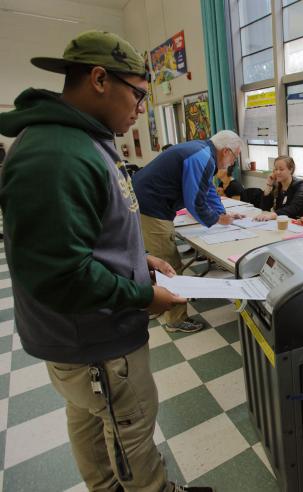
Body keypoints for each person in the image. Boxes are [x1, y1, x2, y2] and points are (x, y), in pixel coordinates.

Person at [0, 31, 211, 492]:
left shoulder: (81, 140)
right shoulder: (56, 155)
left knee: (93, 419)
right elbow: (61, 274)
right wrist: (142, 294)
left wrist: (141, 258)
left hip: (87, 339)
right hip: (95, 340)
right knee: (129, 426)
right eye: (137, 93)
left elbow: (92, 235)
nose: (141, 107)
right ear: (99, 79)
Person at [132, 130, 245, 333]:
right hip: (151, 207)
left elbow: (207, 190)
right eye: (234, 156)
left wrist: (223, 214)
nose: (232, 162)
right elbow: (194, 202)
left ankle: (153, 304)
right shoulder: (202, 156)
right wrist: (216, 219)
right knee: (168, 263)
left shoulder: (202, 152)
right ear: (226, 151)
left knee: (156, 259)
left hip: (147, 203)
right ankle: (175, 320)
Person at [255, 155, 303, 220]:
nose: (277, 172)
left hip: (301, 223)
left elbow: (293, 208)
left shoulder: (301, 185)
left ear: (291, 170)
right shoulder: (277, 185)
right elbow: (264, 208)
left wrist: (273, 214)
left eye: (281, 169)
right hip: (283, 222)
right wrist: (269, 185)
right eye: (276, 169)